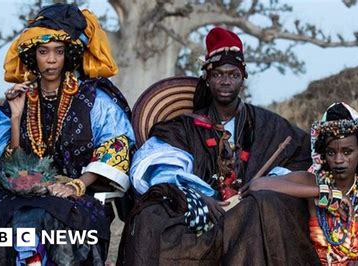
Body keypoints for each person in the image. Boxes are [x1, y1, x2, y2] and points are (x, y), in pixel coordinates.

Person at [118, 27, 319, 264]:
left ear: (243, 78)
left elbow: (302, 159)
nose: (225, 81)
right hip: (201, 208)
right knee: (150, 215)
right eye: (218, 74)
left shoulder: (267, 124)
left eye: (233, 74)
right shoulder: (183, 126)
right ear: (207, 77)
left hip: (251, 207)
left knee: (267, 205)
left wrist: (264, 184)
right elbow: (160, 167)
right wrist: (200, 196)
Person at [0, 3, 135, 265]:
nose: (51, 60)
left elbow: (116, 148)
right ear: (34, 55)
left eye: (58, 52)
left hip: (76, 195)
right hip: (23, 192)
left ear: (69, 55)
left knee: (41, 217)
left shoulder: (94, 100)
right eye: (43, 52)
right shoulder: (18, 101)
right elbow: (12, 165)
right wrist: (17, 117)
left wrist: (76, 184)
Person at [240, 102, 358, 265]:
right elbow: (257, 185)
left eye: (347, 152)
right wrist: (322, 192)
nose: (339, 160)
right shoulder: (309, 182)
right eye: (331, 152)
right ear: (323, 155)